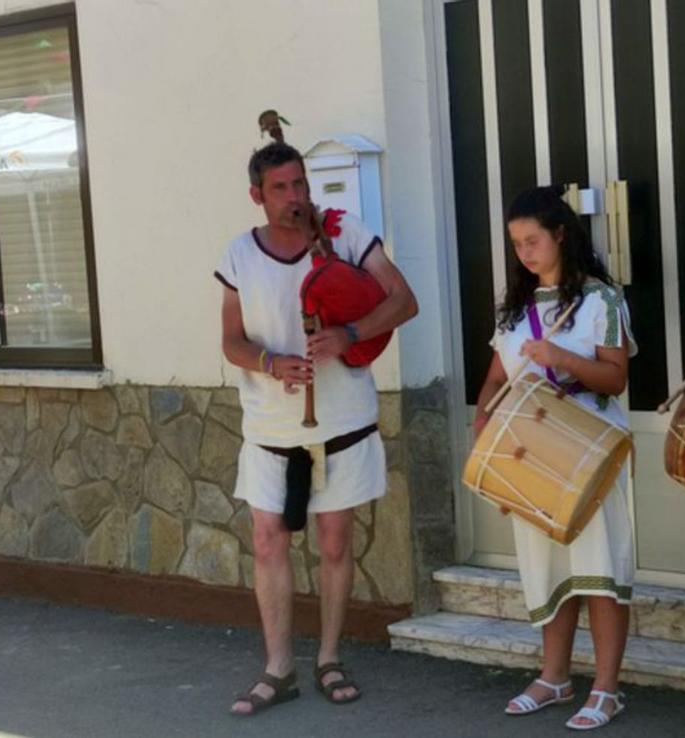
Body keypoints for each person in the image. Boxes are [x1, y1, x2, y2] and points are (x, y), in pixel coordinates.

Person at [215, 141, 417, 715]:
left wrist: (350, 335)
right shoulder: (239, 255)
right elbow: (231, 340)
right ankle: (279, 668)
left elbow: (404, 301)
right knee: (267, 542)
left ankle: (328, 657)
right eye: (280, 189)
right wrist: (268, 362)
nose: (294, 198)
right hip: (271, 427)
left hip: (342, 419)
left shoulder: (344, 234)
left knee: (334, 543)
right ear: (257, 196)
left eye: (299, 184)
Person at [473, 186, 637, 731]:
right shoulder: (515, 310)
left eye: (533, 240)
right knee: (548, 569)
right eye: (516, 243)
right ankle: (554, 676)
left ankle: (607, 689)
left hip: (591, 450)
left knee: (599, 568)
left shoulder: (602, 300)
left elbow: (615, 378)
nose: (524, 252)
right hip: (531, 454)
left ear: (561, 234)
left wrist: (561, 356)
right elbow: (496, 380)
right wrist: (483, 432)